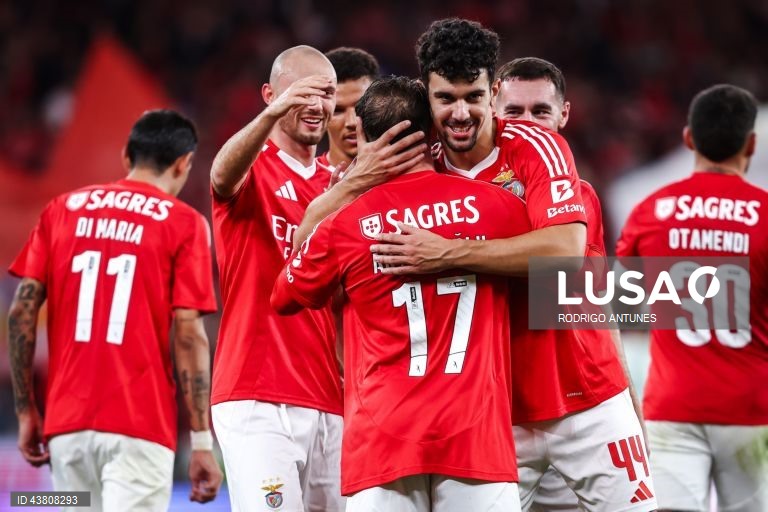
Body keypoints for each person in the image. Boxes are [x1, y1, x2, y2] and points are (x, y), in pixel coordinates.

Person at [370, 19, 656, 511]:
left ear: (492, 90)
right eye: (445, 99)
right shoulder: (415, 165)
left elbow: (567, 260)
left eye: (474, 96)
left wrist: (448, 253)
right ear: (428, 94)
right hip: (489, 413)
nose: (460, 113)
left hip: (585, 400)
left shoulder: (539, 150)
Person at [272, 75, 526, 512]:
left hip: (382, 441)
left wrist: (349, 186)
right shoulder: (500, 207)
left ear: (368, 141)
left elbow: (284, 295)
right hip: (476, 439)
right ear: (433, 136)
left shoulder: (345, 225)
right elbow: (562, 268)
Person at [7, 109, 223, 511]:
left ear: (126, 156)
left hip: (66, 428)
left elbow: (21, 311)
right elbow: (190, 334)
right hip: (139, 429)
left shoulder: (62, 210)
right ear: (184, 164)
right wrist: (200, 441)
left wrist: (26, 412)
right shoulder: (184, 224)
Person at [496, 56, 647, 512]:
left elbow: (590, 307)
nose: (527, 125)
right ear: (491, 111)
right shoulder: (462, 198)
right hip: (502, 418)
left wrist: (629, 406)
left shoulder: (582, 197)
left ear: (563, 115)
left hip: (585, 410)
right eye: (513, 112)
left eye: (540, 112)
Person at [616, 84, 768, 511]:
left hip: (673, 404)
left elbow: (621, 295)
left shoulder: (650, 210)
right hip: (752, 410)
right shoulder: (765, 214)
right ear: (751, 144)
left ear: (688, 139)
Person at [209, 45, 347, 512]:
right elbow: (220, 177)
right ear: (270, 95)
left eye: (326, 93)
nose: (315, 104)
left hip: (330, 396)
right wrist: (273, 116)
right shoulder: (253, 165)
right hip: (257, 395)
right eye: (300, 92)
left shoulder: (338, 185)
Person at [318, 47, 380, 171]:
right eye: (337, 110)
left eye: (361, 106)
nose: (352, 122)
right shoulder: (298, 185)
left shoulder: (408, 177)